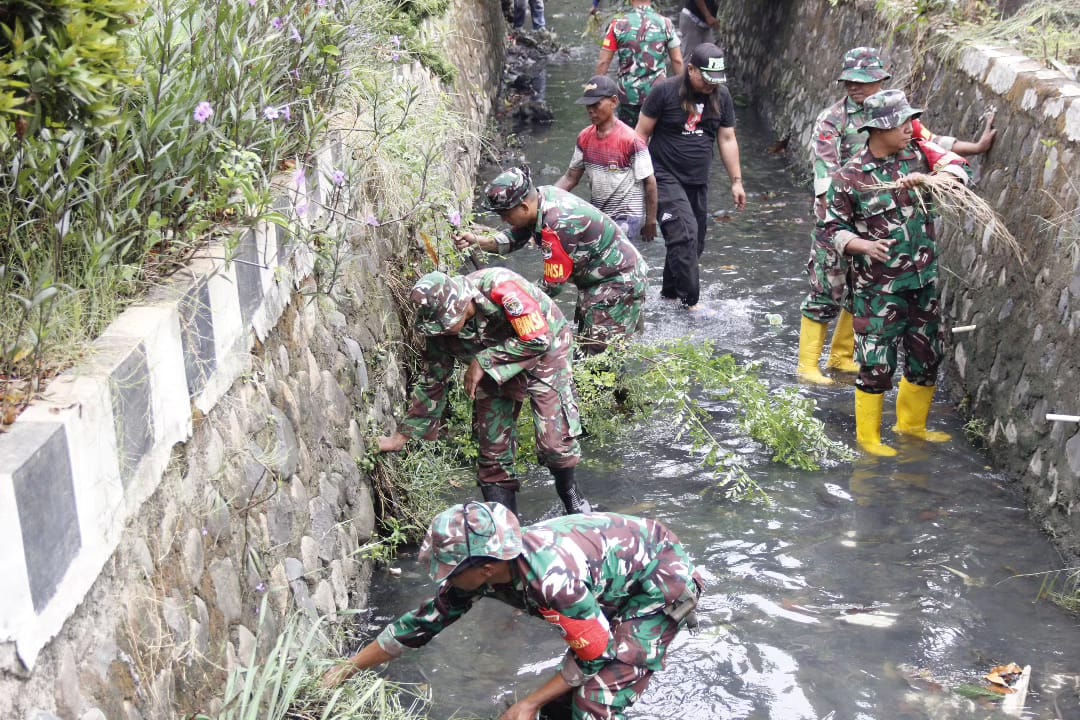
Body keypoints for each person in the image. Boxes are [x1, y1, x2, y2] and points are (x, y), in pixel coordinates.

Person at [322, 502, 704, 720]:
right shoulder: (483, 570)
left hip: (656, 585)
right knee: (560, 703)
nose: (444, 579)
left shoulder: (553, 581)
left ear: (486, 567)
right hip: (607, 581)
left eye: (450, 571)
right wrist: (346, 669)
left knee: (595, 701)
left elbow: (594, 655)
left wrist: (528, 703)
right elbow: (421, 624)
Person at [797, 46, 997, 385]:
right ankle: (807, 365)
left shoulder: (897, 117)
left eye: (863, 82)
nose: (854, 88)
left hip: (883, 222)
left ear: (881, 81)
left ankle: (842, 355)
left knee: (862, 291)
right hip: (842, 212)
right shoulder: (832, 120)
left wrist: (974, 148)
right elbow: (825, 175)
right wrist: (840, 227)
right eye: (849, 82)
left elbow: (931, 141)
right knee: (826, 290)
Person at [821, 90, 971, 457]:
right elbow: (831, 229)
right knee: (876, 363)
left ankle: (912, 426)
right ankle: (869, 438)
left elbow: (958, 169)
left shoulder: (920, 154)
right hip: (878, 291)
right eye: (900, 123)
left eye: (909, 121)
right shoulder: (849, 177)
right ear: (878, 128)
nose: (909, 128)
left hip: (922, 282)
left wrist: (931, 180)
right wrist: (863, 246)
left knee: (927, 356)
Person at [375, 268, 590, 515]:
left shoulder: (501, 288)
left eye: (447, 323)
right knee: (493, 450)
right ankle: (504, 529)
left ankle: (572, 498)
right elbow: (433, 381)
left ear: (463, 303)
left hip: (545, 348)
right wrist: (400, 438)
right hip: (492, 365)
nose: (443, 330)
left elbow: (537, 340)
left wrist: (483, 361)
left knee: (554, 443)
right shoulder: (438, 330)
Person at [456, 166, 648, 354]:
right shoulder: (540, 199)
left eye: (506, 215)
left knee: (600, 357)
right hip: (599, 280)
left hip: (618, 283)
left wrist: (510, 303)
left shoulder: (557, 223)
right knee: (586, 347)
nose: (504, 220)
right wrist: (479, 242)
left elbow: (552, 285)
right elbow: (517, 236)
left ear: (523, 206)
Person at [635, 43, 745, 310]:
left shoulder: (722, 96)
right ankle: (692, 305)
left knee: (693, 243)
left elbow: (727, 138)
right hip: (663, 175)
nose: (711, 86)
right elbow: (640, 135)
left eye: (715, 81)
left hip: (698, 180)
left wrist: (737, 181)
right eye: (706, 80)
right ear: (691, 69)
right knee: (684, 234)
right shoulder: (664, 92)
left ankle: (669, 296)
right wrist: (639, 181)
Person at [556, 75, 658, 244]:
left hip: (628, 217)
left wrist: (650, 221)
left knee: (609, 252)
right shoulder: (584, 138)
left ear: (614, 102)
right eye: (588, 105)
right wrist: (544, 198)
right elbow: (570, 178)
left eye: (596, 104)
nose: (590, 110)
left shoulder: (631, 140)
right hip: (600, 214)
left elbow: (650, 182)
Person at [594, 0, 683, 129]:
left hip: (628, 96)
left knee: (629, 139)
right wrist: (683, 91)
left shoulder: (617, 25)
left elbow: (604, 62)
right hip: (658, 94)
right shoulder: (666, 24)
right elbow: (677, 61)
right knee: (657, 138)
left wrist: (597, 94)